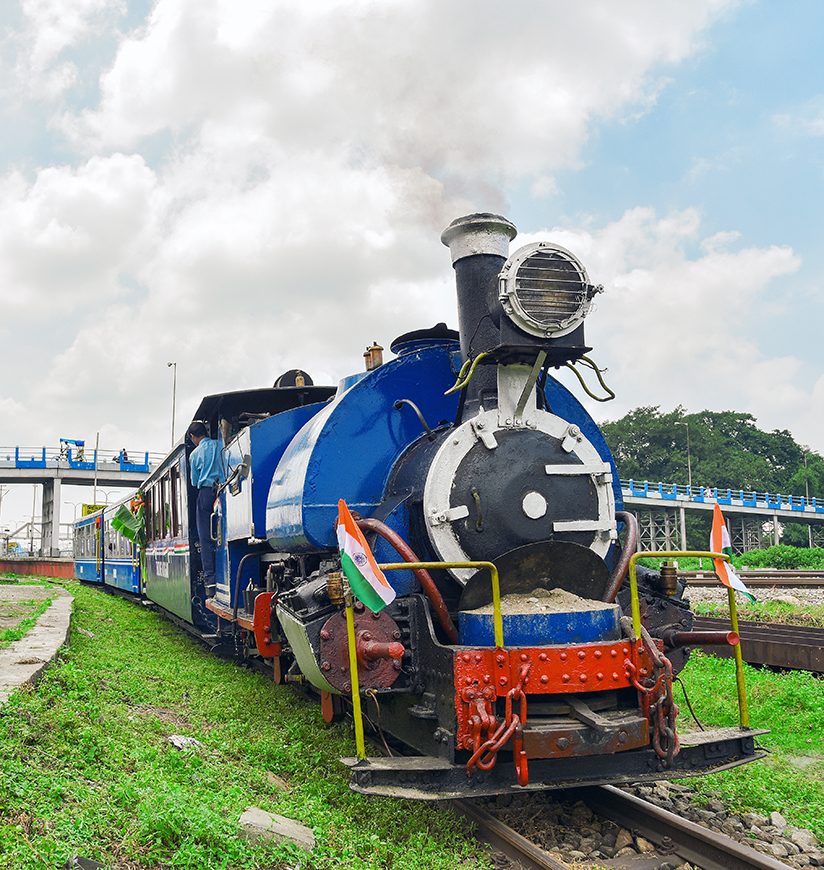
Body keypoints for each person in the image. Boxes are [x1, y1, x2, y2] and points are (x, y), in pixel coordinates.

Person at [186, 422, 224, 597]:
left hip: (206, 493)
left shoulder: (194, 455)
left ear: (193, 437)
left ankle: (210, 580)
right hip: (223, 491)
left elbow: (194, 482)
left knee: (205, 537)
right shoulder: (219, 444)